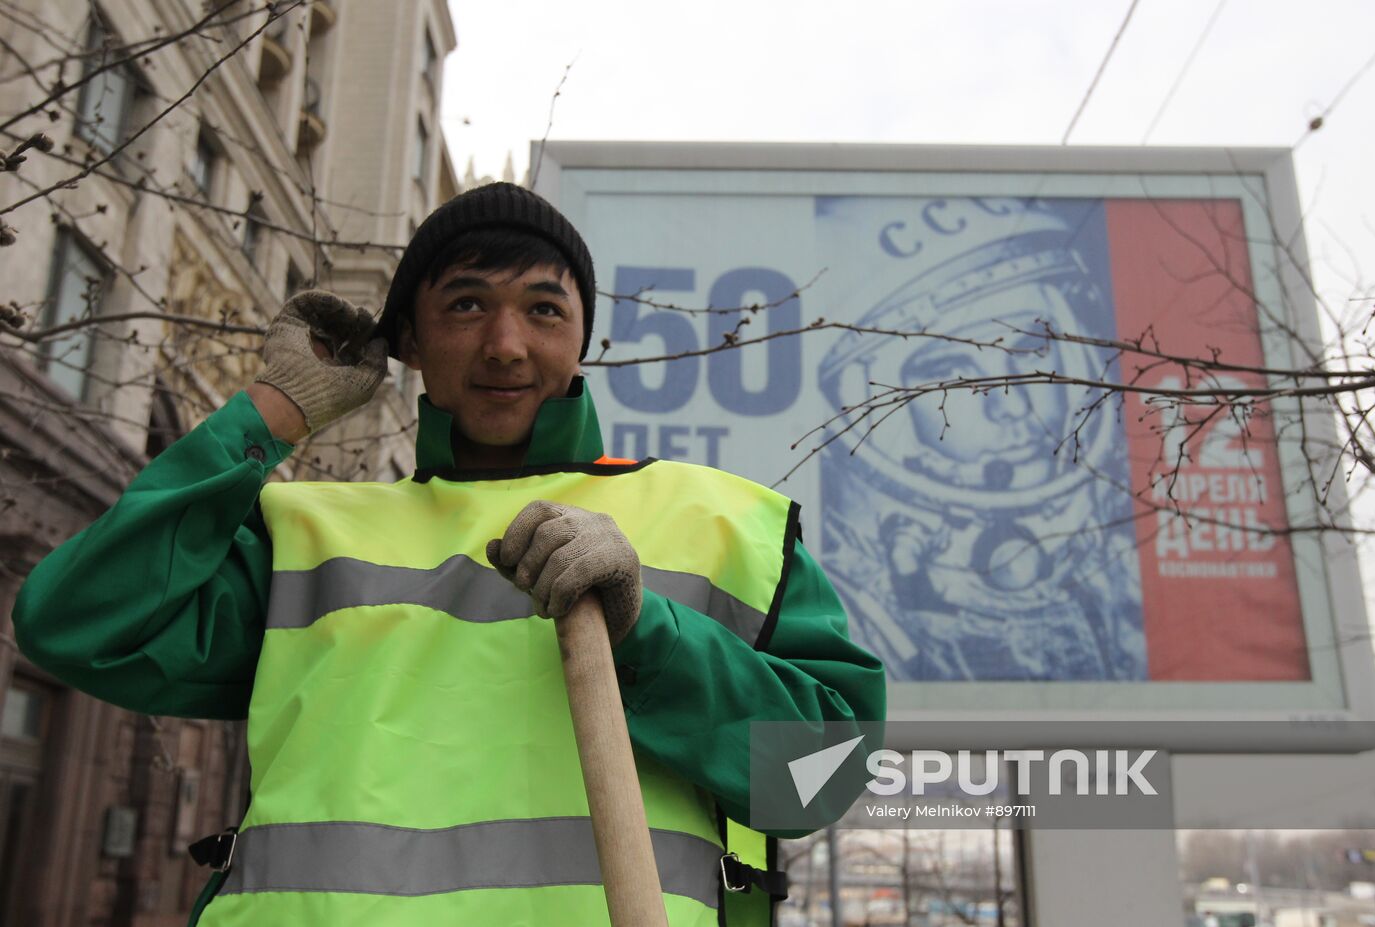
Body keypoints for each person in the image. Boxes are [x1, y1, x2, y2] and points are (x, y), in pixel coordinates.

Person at [13, 182, 885, 927]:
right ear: (411, 343)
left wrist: (647, 637)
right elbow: (76, 623)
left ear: (582, 335)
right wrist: (275, 412)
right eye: (467, 305)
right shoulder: (303, 534)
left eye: (544, 309)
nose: (506, 344)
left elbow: (820, 777)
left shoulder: (724, 523)